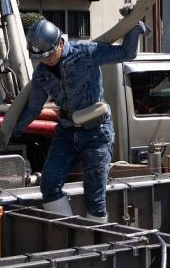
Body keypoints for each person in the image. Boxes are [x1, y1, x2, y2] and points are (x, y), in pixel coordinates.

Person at [12, 14, 148, 222]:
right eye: (41, 58)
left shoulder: (85, 53)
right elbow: (33, 108)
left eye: (49, 55)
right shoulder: (41, 75)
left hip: (96, 134)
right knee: (48, 185)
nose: (46, 61)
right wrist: (11, 131)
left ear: (59, 43)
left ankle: (95, 245)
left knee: (94, 199)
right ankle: (71, 231)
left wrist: (133, 25)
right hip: (66, 133)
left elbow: (126, 53)